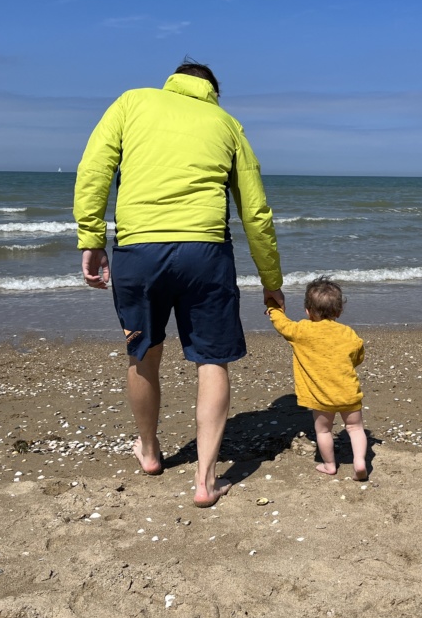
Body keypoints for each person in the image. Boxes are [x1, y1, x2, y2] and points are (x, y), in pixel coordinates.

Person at [73, 58, 285, 508]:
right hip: (205, 252)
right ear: (213, 91)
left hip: (139, 250)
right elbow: (256, 210)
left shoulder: (132, 102)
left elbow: (94, 168)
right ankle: (205, 482)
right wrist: (271, 279)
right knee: (212, 360)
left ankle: (149, 452)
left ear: (173, 81)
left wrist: (91, 238)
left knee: (144, 351)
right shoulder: (227, 124)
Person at [266, 276, 368, 481]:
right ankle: (359, 462)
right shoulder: (348, 333)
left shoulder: (302, 331)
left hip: (321, 396)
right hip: (348, 392)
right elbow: (358, 355)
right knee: (355, 428)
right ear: (339, 311)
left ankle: (330, 465)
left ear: (307, 311)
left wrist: (272, 306)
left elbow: (281, 324)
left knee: (323, 431)